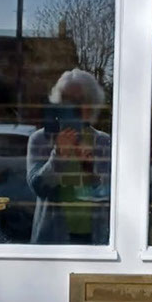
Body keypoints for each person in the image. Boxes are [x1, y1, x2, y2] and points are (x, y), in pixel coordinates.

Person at [26, 69, 111, 244]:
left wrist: (88, 166)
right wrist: (59, 155)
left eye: (79, 101)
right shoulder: (41, 139)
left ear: (91, 105)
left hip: (95, 239)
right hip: (52, 239)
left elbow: (110, 193)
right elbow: (38, 188)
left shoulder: (103, 141)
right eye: (66, 100)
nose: (72, 107)